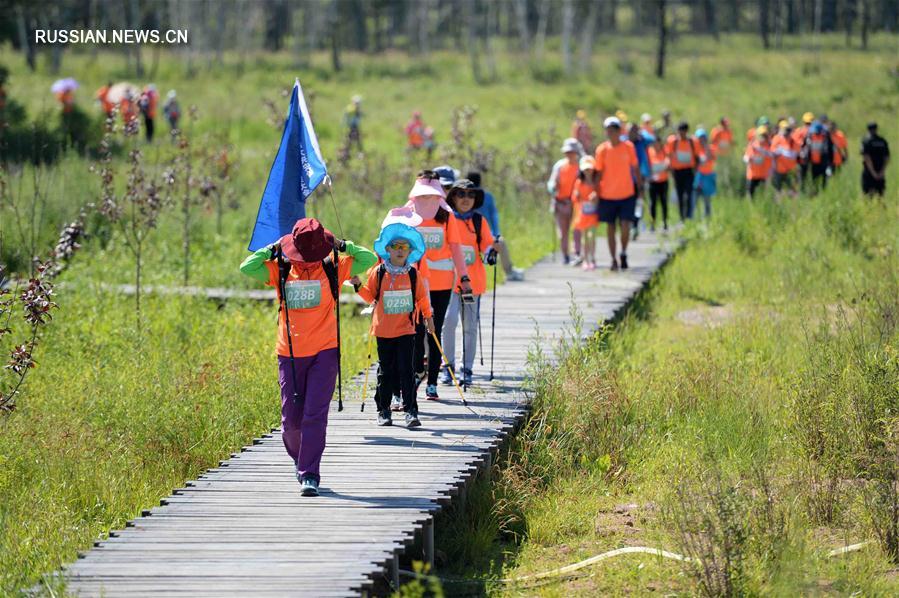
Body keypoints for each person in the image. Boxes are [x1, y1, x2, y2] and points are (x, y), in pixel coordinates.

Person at [239, 218, 377, 496]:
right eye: (302, 255)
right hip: (288, 353)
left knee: (315, 414)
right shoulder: (280, 269)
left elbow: (368, 258)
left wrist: (340, 245)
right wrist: (273, 248)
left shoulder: (333, 268)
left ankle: (309, 473)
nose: (306, 261)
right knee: (291, 421)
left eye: (312, 255)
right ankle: (300, 459)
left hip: (324, 352)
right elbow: (247, 267)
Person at [358, 212, 434, 428]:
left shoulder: (413, 275)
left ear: (410, 251)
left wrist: (429, 318)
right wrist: (356, 285)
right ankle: (383, 410)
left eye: (405, 246)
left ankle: (411, 411)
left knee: (406, 371)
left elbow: (422, 298)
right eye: (396, 246)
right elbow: (370, 296)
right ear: (387, 249)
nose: (400, 250)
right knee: (386, 371)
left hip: (406, 330)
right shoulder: (378, 272)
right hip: (383, 330)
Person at [406, 171, 472, 400]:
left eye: (430, 195)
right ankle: (417, 372)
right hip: (414, 280)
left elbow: (455, 248)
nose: (426, 200)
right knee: (416, 330)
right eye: (422, 195)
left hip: (442, 281)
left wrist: (464, 277)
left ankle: (432, 382)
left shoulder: (446, 214)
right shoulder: (408, 211)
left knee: (434, 330)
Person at [441, 179, 496, 388]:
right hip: (449, 281)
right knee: (449, 321)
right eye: (461, 194)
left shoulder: (479, 221)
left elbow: (487, 245)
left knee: (470, 326)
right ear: (453, 197)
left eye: (471, 195)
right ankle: (448, 367)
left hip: (473, 283)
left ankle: (467, 369)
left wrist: (491, 253)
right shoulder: (446, 218)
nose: (466, 199)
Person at [595, 116, 641, 271]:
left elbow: (635, 168)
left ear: (618, 131)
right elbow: (598, 173)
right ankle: (613, 258)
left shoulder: (628, 147)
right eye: (608, 131)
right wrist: (595, 192)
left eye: (613, 130)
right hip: (607, 195)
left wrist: (640, 188)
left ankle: (623, 252)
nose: (610, 133)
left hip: (626, 193)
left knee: (625, 224)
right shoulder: (602, 150)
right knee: (610, 227)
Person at [468, 170, 524, 281]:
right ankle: (509, 272)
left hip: (473, 235)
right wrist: (496, 234)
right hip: (485, 235)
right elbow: (494, 217)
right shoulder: (487, 196)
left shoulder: (462, 197)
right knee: (501, 242)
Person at [547, 138, 583, 265]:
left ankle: (577, 254)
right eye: (567, 152)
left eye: (572, 152)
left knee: (577, 230)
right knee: (563, 233)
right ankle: (565, 256)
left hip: (575, 204)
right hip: (560, 203)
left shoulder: (581, 167)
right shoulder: (559, 166)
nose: (569, 154)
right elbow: (551, 183)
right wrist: (552, 187)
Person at [666, 121, 702, 222]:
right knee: (680, 195)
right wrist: (671, 169)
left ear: (686, 131)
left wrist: (696, 171)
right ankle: (682, 217)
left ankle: (689, 216)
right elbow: (669, 155)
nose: (681, 134)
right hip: (677, 172)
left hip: (689, 172)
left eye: (683, 132)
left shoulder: (693, 142)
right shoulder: (673, 142)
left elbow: (697, 157)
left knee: (689, 194)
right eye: (680, 132)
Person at [572, 156, 600, 270]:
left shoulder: (596, 183)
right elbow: (574, 197)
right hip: (583, 214)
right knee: (584, 237)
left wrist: (596, 196)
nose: (588, 172)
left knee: (591, 236)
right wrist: (577, 196)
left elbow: (600, 194)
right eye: (586, 169)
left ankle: (592, 258)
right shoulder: (579, 182)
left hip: (593, 214)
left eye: (590, 169)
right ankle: (586, 259)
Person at [771, 120, 800, 196]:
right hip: (779, 170)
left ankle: (793, 206)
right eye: (784, 129)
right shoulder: (776, 139)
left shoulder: (793, 140)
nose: (786, 132)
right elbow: (772, 152)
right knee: (778, 190)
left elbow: (795, 153)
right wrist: (779, 151)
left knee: (793, 190)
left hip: (791, 170)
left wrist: (785, 152)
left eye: (787, 129)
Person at [692, 129, 716, 219]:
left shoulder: (711, 148)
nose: (701, 140)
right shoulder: (695, 150)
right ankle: (693, 218)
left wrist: (706, 147)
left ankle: (707, 218)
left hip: (708, 176)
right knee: (695, 198)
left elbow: (711, 157)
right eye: (699, 138)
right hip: (698, 177)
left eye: (703, 138)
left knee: (707, 199)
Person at [803, 120, 833, 193]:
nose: (815, 132)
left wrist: (830, 164)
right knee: (814, 180)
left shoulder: (825, 137)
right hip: (813, 163)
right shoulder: (810, 136)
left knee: (824, 180)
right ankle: (814, 192)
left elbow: (830, 151)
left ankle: (823, 193)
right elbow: (806, 149)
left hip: (823, 163)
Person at [647, 136, 670, 231]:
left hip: (663, 181)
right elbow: (647, 163)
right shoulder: (649, 151)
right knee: (653, 203)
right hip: (653, 181)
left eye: (658, 142)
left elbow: (669, 161)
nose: (656, 145)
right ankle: (653, 223)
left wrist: (665, 164)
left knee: (663, 202)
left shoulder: (665, 151)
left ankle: (665, 222)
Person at [861, 122, 890, 196]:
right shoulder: (882, 141)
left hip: (869, 172)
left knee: (867, 195)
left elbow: (866, 157)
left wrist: (873, 173)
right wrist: (882, 171)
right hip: (880, 171)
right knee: (880, 195)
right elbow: (887, 157)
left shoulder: (866, 141)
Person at [744, 126, 773, 198]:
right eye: (761, 135)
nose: (763, 137)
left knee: (763, 196)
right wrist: (750, 159)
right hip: (752, 175)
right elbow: (745, 157)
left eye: (764, 135)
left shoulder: (769, 145)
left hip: (764, 175)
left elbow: (772, 155)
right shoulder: (752, 144)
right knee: (750, 195)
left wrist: (761, 150)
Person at [793, 112, 814, 189]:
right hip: (810, 158)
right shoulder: (815, 131)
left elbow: (794, 143)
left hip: (799, 158)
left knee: (800, 176)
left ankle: (800, 190)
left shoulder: (798, 131)